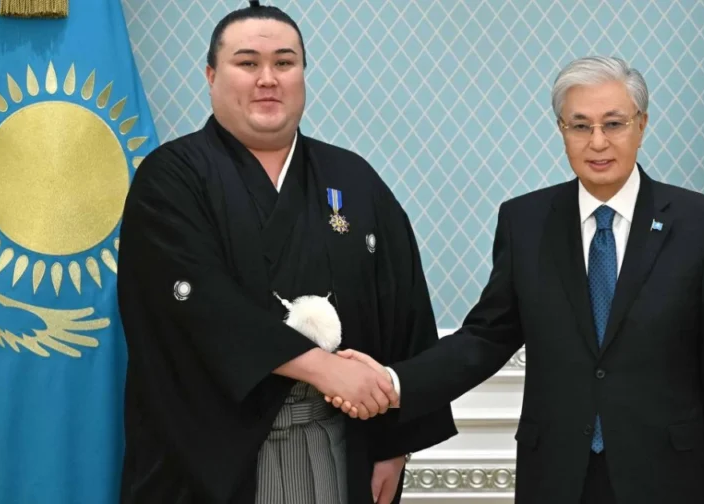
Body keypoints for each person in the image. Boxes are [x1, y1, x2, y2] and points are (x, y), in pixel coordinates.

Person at [330, 56, 704, 504]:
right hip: (557, 475)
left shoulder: (700, 224)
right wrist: (395, 382)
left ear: (642, 124)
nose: (597, 142)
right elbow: (485, 338)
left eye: (614, 124)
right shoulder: (525, 222)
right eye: (580, 126)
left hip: (669, 478)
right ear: (561, 129)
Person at [116, 2, 456, 503]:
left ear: (303, 74)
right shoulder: (172, 177)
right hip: (210, 456)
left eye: (284, 62)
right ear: (211, 76)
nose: (267, 79)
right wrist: (325, 368)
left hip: (342, 442)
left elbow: (402, 307)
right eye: (247, 63)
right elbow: (200, 305)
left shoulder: (353, 178)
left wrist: (394, 445)